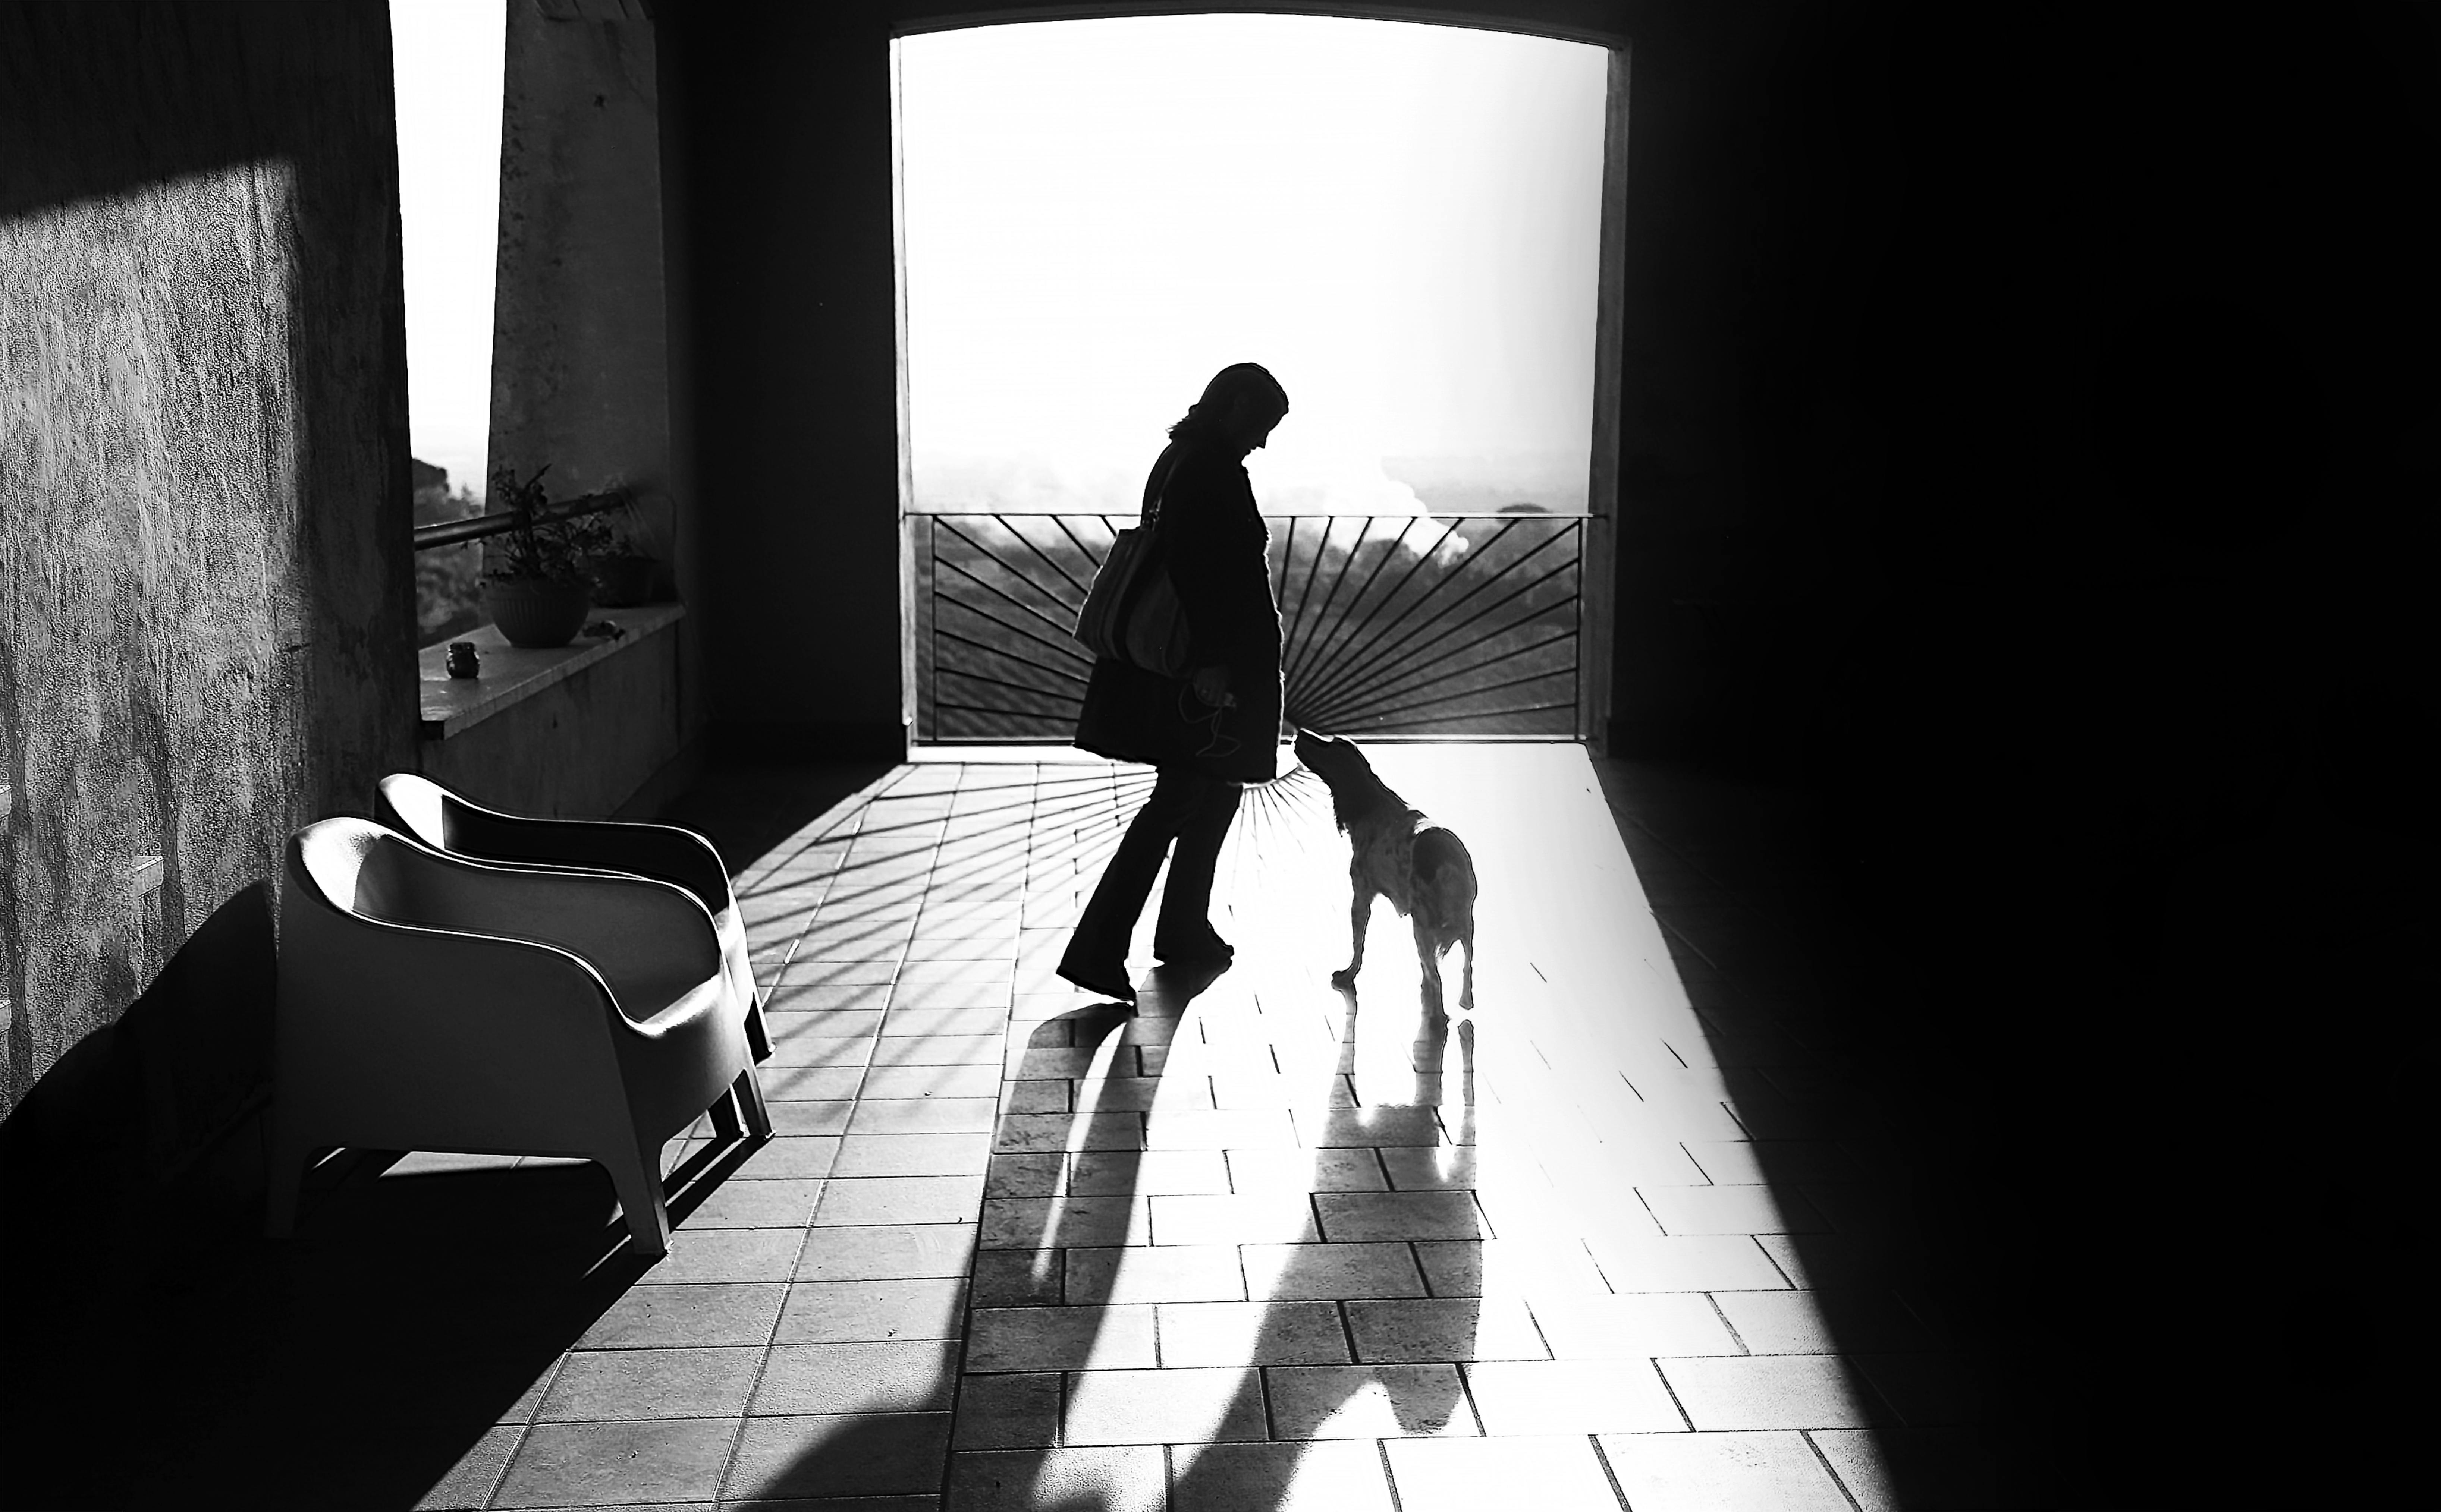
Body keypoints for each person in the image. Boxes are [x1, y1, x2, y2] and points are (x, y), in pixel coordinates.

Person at [1059, 363, 1291, 1004]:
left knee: (1209, 796)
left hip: (1199, 667)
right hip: (1209, 670)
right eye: (1262, 423)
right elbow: (1199, 571)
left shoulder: (1181, 459)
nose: (1264, 441)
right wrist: (1215, 662)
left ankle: (1181, 929)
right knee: (1183, 800)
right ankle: (1100, 948)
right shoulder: (1206, 469)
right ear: (1235, 404)